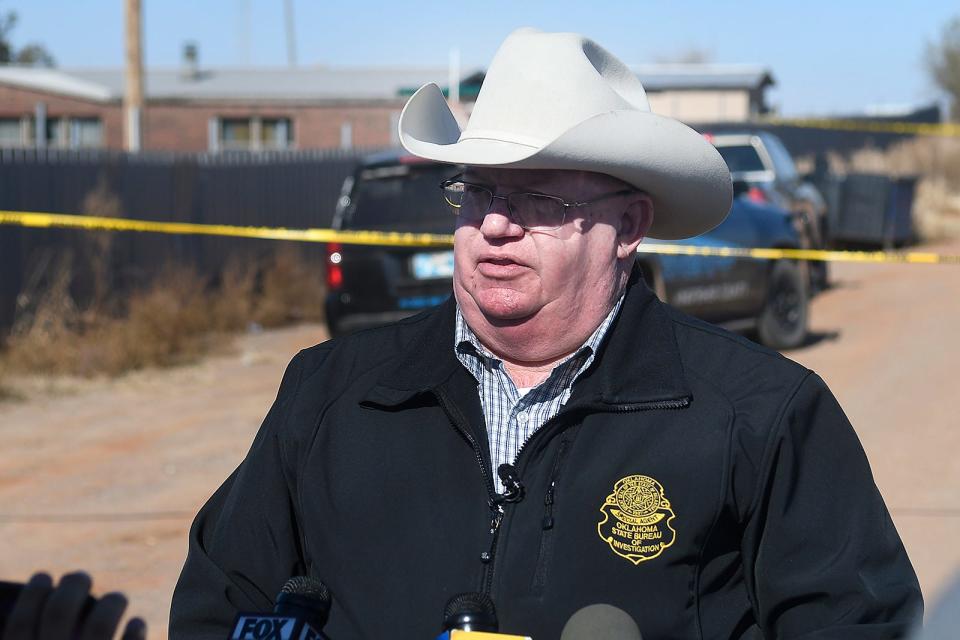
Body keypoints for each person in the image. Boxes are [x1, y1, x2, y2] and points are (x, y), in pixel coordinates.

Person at [171, 29, 922, 639]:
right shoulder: (331, 393)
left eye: (535, 197)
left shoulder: (762, 414)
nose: (494, 223)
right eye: (478, 192)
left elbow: (860, 624)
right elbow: (218, 609)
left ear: (627, 226)